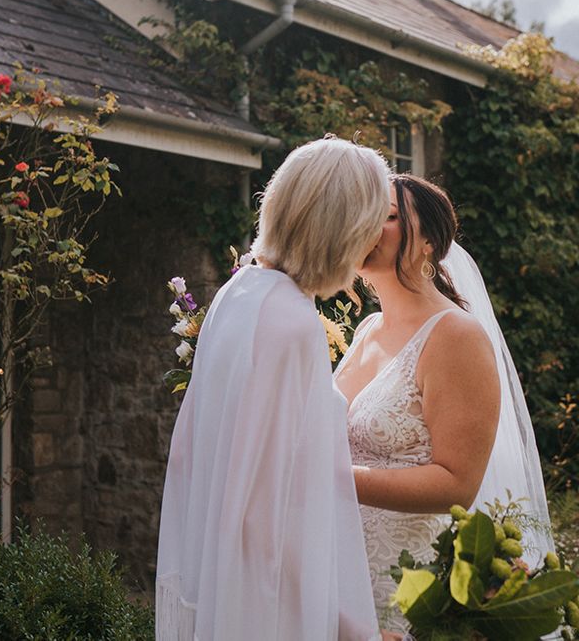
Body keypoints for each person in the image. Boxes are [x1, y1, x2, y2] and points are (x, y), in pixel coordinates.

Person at [156, 136, 391, 640]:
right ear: (345, 226)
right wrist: (349, 627)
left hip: (232, 585)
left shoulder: (238, 292)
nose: (374, 240)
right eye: (373, 221)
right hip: (265, 608)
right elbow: (264, 516)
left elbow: (191, 457)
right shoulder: (289, 322)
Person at [334, 173, 553, 632]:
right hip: (337, 562)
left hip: (403, 581)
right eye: (365, 214)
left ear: (430, 240)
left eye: (390, 217)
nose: (370, 227)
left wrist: (331, 477)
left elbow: (457, 484)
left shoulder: (456, 336)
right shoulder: (367, 330)